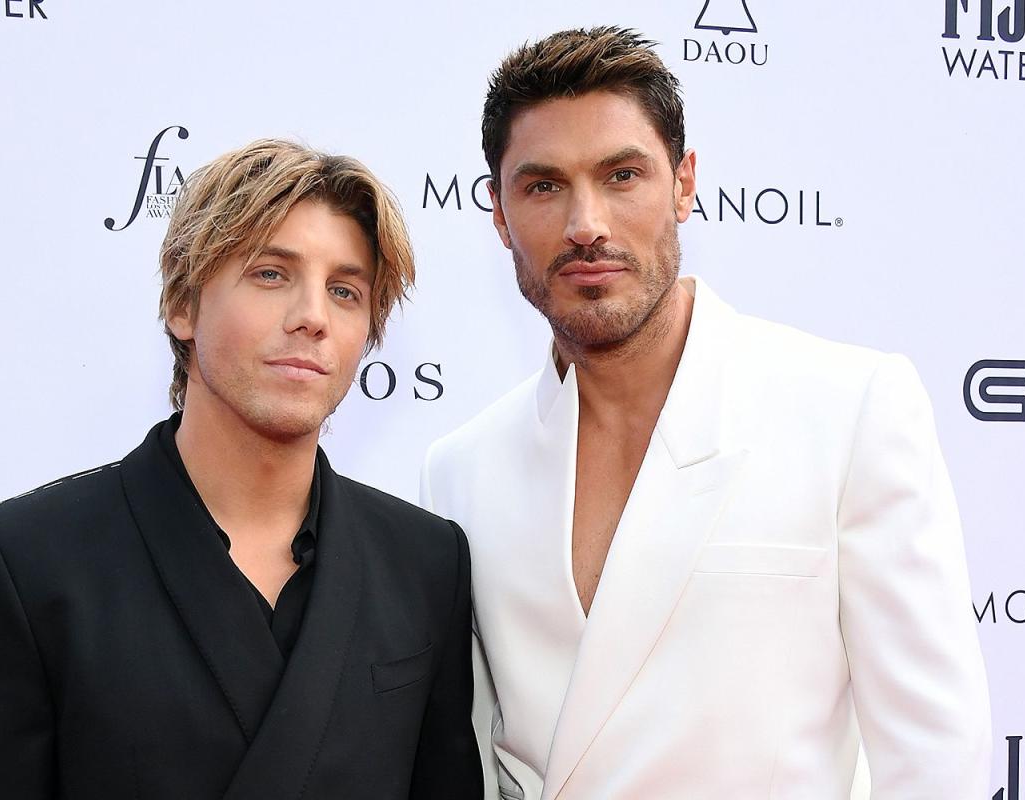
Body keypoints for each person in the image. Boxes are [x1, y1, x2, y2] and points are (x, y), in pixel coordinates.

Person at [422, 27, 990, 799]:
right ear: (499, 215)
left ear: (685, 184)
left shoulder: (848, 409)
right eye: (544, 186)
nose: (586, 223)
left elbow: (935, 758)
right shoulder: (459, 470)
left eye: (622, 175)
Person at [0, 139, 482, 800]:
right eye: (271, 274)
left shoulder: (425, 562)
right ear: (182, 304)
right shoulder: (25, 564)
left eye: (344, 290)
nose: (313, 318)